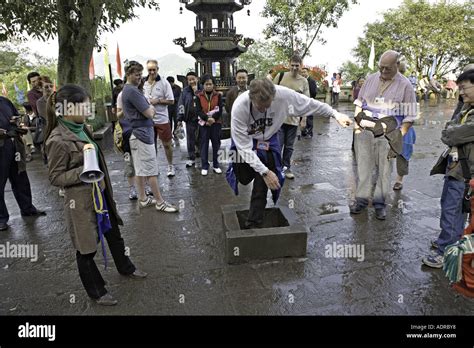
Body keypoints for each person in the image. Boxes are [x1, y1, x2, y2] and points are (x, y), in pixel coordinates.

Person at [44, 84, 147, 305]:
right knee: (86, 247)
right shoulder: (57, 140)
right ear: (68, 108)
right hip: (80, 203)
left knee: (114, 233)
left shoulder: (85, 129)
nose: (89, 109)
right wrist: (83, 170)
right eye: (84, 105)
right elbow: (55, 177)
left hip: (101, 194)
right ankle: (96, 291)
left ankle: (126, 267)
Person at [226, 78, 352, 229]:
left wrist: (335, 114)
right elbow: (244, 148)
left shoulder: (284, 95)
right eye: (260, 108)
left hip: (268, 140)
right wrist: (264, 171)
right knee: (245, 178)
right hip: (247, 141)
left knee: (263, 184)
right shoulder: (239, 106)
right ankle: (255, 171)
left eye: (268, 106)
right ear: (251, 98)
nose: (264, 110)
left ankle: (254, 223)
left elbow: (311, 104)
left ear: (274, 96)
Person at [350, 50, 416, 220]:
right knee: (363, 167)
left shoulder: (405, 85)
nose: (384, 71)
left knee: (384, 170)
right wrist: (357, 125)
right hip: (365, 128)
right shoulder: (371, 78)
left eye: (388, 68)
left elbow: (410, 115)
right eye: (381, 68)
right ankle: (361, 201)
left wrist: (399, 136)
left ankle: (380, 204)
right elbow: (359, 102)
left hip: (389, 131)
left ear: (397, 65)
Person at [422, 69, 474, 268]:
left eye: (464, 88)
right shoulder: (465, 109)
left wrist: (451, 131)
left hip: (464, 173)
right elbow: (448, 130)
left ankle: (447, 253)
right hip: (456, 169)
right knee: (451, 209)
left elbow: (450, 136)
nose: (461, 93)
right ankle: (451, 242)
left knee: (453, 212)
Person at [121, 61, 178, 213]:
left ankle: (143, 198)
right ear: (128, 74)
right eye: (136, 74)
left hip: (136, 133)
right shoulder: (132, 91)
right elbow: (149, 113)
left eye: (141, 74)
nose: (140, 77)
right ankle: (159, 201)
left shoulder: (128, 89)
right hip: (142, 134)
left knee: (140, 169)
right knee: (152, 170)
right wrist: (151, 107)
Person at [0, 96, 46, 231]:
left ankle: (27, 208)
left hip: (13, 143)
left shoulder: (4, 101)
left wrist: (19, 124)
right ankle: (1, 218)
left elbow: (16, 117)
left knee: (20, 177)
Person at [273, 55, 310, 179]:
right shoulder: (281, 76)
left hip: (293, 120)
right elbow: (272, 93)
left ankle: (286, 167)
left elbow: (306, 102)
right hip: (279, 118)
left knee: (289, 146)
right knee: (278, 144)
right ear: (289, 64)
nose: (294, 68)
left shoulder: (304, 81)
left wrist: (303, 119)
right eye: (292, 65)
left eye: (297, 65)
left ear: (301, 66)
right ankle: (277, 168)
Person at [143, 60, 176, 178]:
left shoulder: (164, 82)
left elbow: (172, 101)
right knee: (151, 146)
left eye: (154, 69)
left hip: (162, 118)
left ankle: (170, 165)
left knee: (167, 144)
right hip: (147, 119)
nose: (152, 72)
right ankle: (154, 167)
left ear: (158, 69)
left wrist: (158, 101)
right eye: (149, 70)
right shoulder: (143, 83)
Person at [195, 74, 223, 176]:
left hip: (216, 124)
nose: (208, 86)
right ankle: (204, 166)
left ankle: (216, 165)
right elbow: (198, 110)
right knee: (204, 145)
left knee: (216, 144)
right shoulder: (198, 96)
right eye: (206, 84)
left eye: (210, 84)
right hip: (204, 124)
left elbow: (220, 109)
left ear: (213, 85)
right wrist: (207, 118)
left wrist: (213, 118)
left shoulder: (218, 95)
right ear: (203, 85)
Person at [177, 71, 201, 168]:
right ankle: (191, 158)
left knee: (202, 137)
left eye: (193, 79)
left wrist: (196, 92)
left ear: (197, 79)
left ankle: (202, 156)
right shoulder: (185, 91)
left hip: (201, 118)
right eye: (189, 80)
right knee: (190, 139)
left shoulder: (202, 89)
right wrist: (180, 118)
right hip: (190, 118)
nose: (191, 81)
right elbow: (181, 105)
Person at [300, 67, 318, 138]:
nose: (303, 73)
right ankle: (304, 133)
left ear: (308, 72)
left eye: (304, 72)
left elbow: (314, 92)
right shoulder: (301, 80)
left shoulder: (311, 80)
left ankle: (310, 133)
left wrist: (310, 99)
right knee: (302, 117)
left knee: (309, 118)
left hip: (309, 101)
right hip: (302, 102)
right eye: (302, 72)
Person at [166, 76, 182, 142]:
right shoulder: (165, 88)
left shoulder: (178, 88)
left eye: (171, 83)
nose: (170, 84)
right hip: (168, 107)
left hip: (176, 106)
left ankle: (175, 133)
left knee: (176, 120)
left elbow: (180, 97)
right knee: (169, 121)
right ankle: (169, 134)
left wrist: (175, 100)